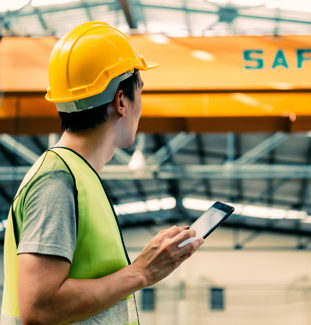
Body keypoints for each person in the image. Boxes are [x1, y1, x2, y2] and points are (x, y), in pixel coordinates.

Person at [1, 21, 203, 325]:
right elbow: (39, 308)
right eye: (140, 93)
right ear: (121, 101)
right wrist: (142, 272)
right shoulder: (58, 180)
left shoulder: (76, 177)